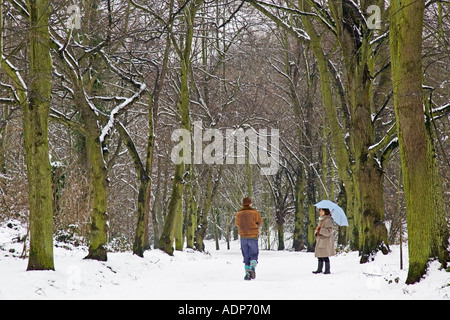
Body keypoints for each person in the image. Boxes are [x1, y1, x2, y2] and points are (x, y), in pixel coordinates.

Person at [235, 197, 264, 280]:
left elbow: (237, 223)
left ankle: (247, 274)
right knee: (254, 254)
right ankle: (252, 267)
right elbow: (260, 222)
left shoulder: (238, 214)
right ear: (250, 204)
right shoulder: (255, 213)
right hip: (253, 236)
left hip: (243, 237)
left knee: (246, 255)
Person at [313, 208, 335, 274]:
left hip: (325, 241)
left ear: (326, 211)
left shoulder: (328, 220)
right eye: (320, 211)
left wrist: (320, 230)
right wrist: (317, 231)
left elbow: (329, 231)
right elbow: (318, 229)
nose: (320, 212)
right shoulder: (321, 219)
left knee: (325, 256)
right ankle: (319, 269)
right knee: (319, 256)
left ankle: (327, 270)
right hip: (320, 240)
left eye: (322, 211)